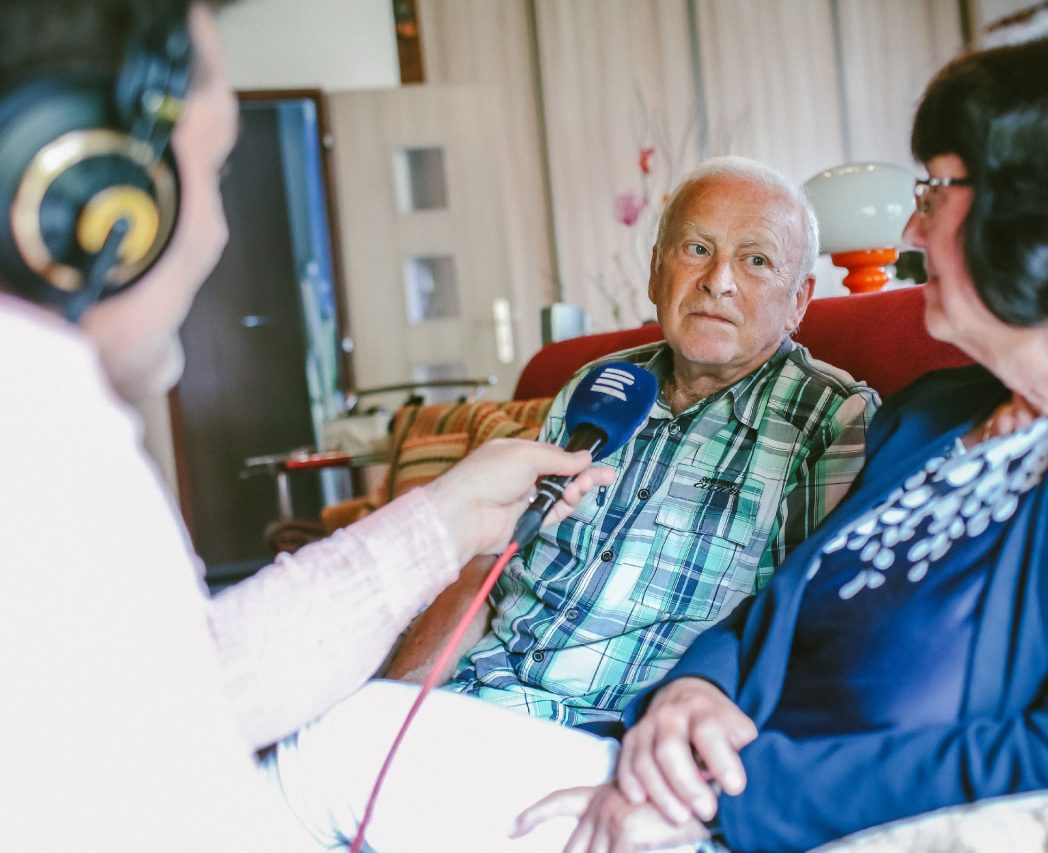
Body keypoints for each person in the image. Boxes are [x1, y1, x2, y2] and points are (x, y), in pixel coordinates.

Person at [513, 32, 1048, 852]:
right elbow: (770, 616)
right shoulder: (927, 412)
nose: (912, 231)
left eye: (934, 191)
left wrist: (724, 801)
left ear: (1039, 202)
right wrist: (689, 693)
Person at [0, 2, 612, 849]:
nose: (218, 231)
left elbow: (191, 684)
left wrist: (450, 515)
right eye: (214, 170)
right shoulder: (37, 434)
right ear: (85, 188)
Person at [421, 156, 879, 729]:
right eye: (697, 249)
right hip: (473, 693)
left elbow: (810, 630)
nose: (718, 280)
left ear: (799, 301)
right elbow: (493, 560)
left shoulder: (832, 419)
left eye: (756, 260)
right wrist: (399, 696)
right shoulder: (597, 386)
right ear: (656, 274)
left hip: (614, 733)